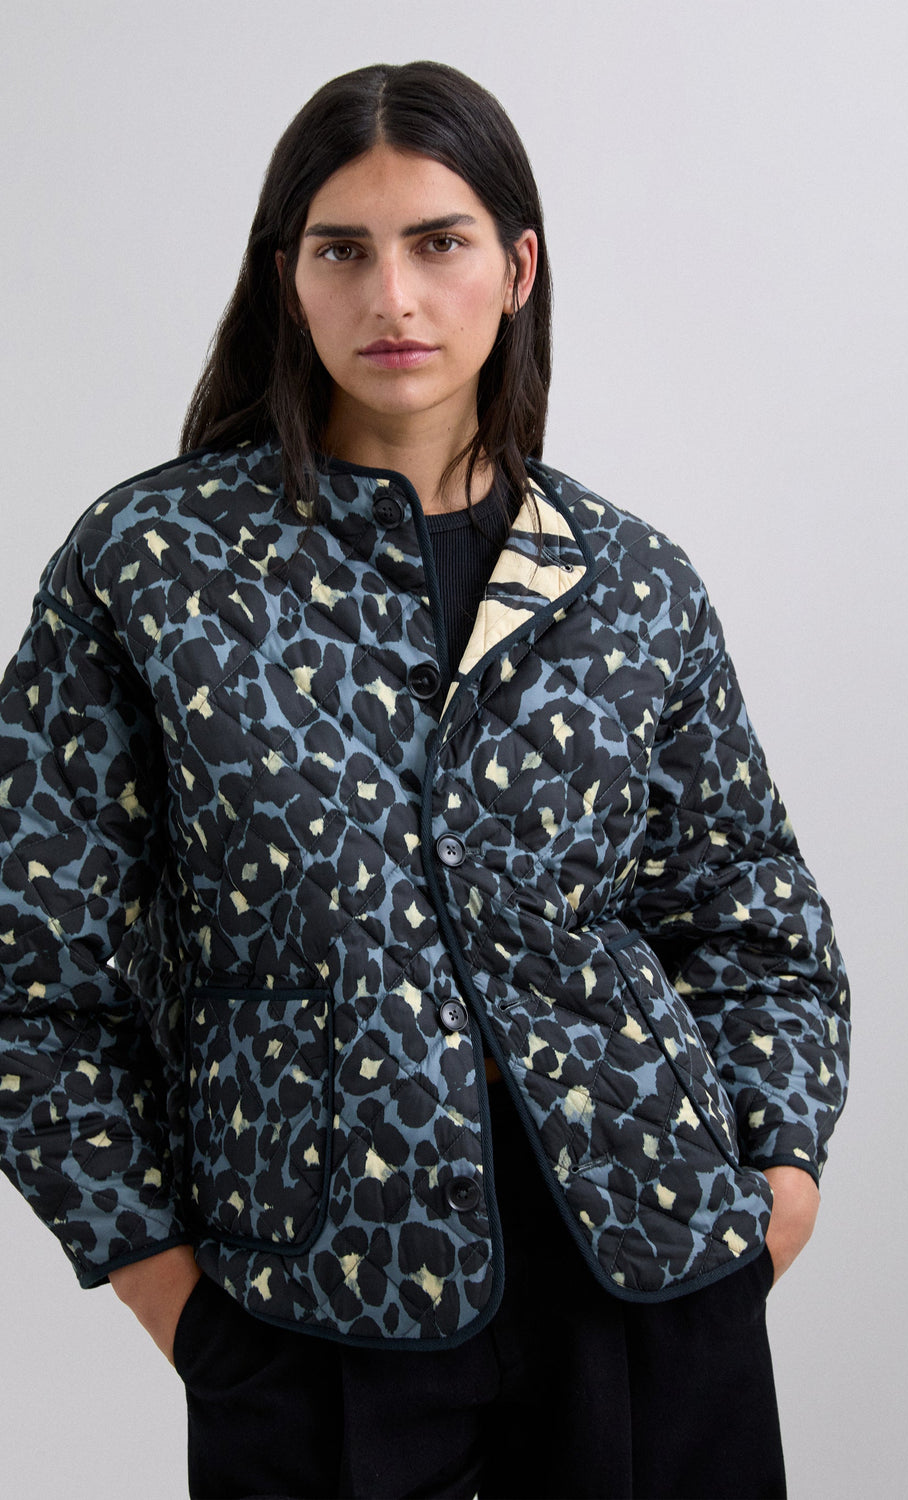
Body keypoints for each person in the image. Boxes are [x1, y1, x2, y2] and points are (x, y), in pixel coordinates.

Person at [0, 60, 849, 1500]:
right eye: (342, 249)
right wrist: (172, 1297)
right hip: (314, 1308)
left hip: (649, 1275)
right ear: (287, 280)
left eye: (438, 243)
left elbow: (749, 908)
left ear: (516, 268)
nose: (391, 296)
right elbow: (32, 970)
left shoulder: (629, 579)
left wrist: (776, 1184)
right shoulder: (152, 571)